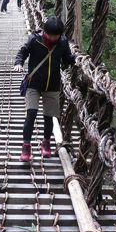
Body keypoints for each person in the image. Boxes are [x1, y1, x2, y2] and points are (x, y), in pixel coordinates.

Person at [14, 17, 75, 161]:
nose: (53, 38)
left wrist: (76, 60)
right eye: (51, 35)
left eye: (56, 35)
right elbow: (23, 52)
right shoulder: (34, 39)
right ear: (45, 32)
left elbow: (66, 58)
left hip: (52, 84)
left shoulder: (63, 42)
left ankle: (46, 143)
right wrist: (19, 62)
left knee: (49, 117)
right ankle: (26, 146)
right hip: (33, 83)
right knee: (31, 113)